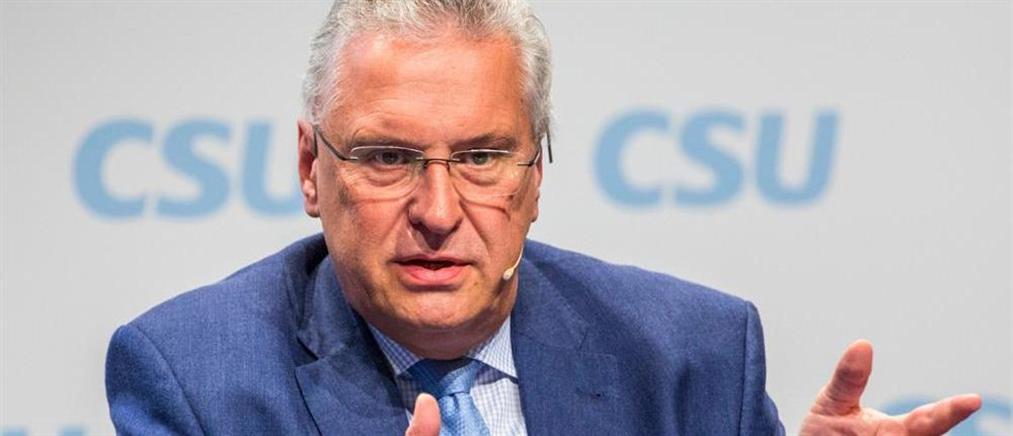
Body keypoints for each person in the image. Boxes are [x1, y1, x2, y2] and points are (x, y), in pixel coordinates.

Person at [105, 1, 981, 435]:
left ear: (535, 174)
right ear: (310, 169)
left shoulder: (694, 357)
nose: (438, 212)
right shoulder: (198, 379)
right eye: (388, 158)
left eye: (481, 158)